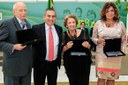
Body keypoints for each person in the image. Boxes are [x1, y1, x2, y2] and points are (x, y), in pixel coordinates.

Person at [92, 2, 126, 85]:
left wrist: (122, 50)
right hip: (102, 55)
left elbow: (124, 40)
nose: (110, 13)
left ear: (115, 12)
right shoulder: (98, 23)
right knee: (101, 78)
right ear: (104, 12)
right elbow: (93, 38)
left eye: (112, 11)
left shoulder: (121, 24)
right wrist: (98, 41)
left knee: (111, 79)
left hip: (115, 56)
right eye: (107, 11)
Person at [0, 2, 33, 85]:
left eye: (25, 10)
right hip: (12, 69)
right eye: (20, 10)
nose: (24, 12)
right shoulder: (7, 24)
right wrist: (13, 47)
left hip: (26, 68)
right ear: (14, 12)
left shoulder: (28, 24)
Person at [32, 8, 63, 85]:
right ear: (44, 17)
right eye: (48, 16)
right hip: (40, 65)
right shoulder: (36, 28)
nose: (51, 18)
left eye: (53, 16)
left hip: (53, 64)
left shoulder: (59, 29)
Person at [62, 14, 92, 85]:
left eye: (73, 22)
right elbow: (61, 49)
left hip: (84, 63)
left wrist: (87, 45)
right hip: (70, 64)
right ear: (66, 25)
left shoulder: (83, 32)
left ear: (76, 23)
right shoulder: (63, 34)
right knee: (73, 82)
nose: (72, 24)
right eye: (69, 23)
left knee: (84, 82)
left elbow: (90, 45)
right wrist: (66, 46)